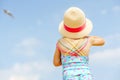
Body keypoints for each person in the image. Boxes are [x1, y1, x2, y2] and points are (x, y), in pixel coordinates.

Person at [53, 7, 105, 80]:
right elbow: (102, 41)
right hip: (86, 76)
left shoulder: (60, 43)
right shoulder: (88, 40)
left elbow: (56, 63)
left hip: (69, 76)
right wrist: (86, 35)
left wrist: (68, 62)